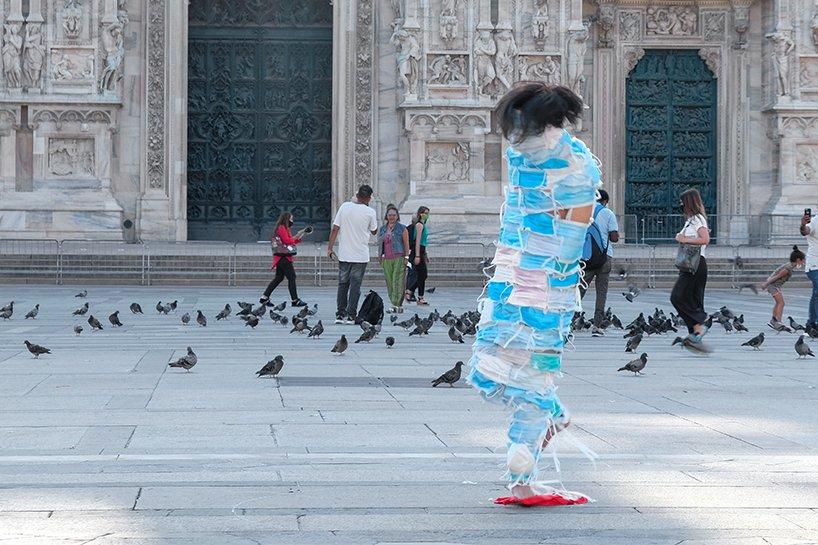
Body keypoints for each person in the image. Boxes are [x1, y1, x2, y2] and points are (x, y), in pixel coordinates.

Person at [468, 83, 599, 504]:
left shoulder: (528, 156)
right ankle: (532, 457)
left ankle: (539, 445)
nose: (516, 133)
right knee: (527, 376)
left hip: (519, 285)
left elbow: (553, 229)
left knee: (520, 372)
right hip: (535, 287)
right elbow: (570, 236)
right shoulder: (571, 162)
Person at [327, 185, 378, 324]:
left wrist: (330, 248)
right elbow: (374, 231)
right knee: (355, 286)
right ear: (368, 198)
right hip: (360, 255)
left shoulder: (344, 207)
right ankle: (351, 315)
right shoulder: (370, 212)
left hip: (344, 254)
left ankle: (340, 314)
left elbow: (335, 229)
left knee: (343, 284)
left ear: (357, 195)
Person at [670, 188, 711, 353]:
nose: (681, 206)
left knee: (677, 297)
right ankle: (694, 334)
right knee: (690, 299)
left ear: (689, 203)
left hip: (695, 265)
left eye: (682, 202)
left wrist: (684, 238)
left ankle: (701, 323)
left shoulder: (698, 220)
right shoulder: (691, 220)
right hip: (689, 265)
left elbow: (705, 239)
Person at [579, 189, 619, 337]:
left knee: (579, 290)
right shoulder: (608, 213)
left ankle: (568, 322)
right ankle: (597, 325)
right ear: (605, 201)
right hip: (604, 258)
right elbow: (614, 237)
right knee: (601, 292)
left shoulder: (583, 212)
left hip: (586, 257)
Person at [260, 212, 309, 307]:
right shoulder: (282, 228)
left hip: (282, 257)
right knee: (292, 277)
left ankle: (264, 297)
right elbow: (287, 241)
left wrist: (301, 234)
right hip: (283, 257)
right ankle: (295, 300)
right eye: (291, 219)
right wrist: (297, 235)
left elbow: (290, 240)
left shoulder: (285, 228)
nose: (292, 221)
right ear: (287, 219)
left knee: (279, 278)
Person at [761, 245, 806, 329]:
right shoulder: (787, 268)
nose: (804, 262)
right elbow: (776, 277)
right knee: (781, 303)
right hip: (773, 285)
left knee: (778, 303)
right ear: (798, 260)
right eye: (803, 260)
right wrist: (766, 284)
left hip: (774, 286)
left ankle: (773, 321)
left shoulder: (790, 266)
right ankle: (778, 322)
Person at [378, 204, 410, 313]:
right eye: (389, 215)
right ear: (386, 216)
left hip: (399, 257)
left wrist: (406, 257)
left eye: (394, 215)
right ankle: (393, 303)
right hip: (387, 259)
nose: (391, 217)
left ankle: (398, 304)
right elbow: (380, 244)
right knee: (390, 281)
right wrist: (380, 257)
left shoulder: (402, 228)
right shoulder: (383, 229)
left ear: (397, 216)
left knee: (398, 280)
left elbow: (406, 244)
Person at [405, 206, 430, 305]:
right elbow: (418, 241)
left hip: (422, 251)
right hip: (418, 251)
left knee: (422, 275)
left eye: (428, 213)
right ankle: (420, 297)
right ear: (420, 214)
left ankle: (410, 292)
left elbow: (424, 242)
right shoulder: (419, 225)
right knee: (423, 274)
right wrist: (418, 256)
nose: (427, 215)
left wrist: (425, 254)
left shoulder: (423, 225)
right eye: (425, 213)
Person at [800, 209, 818, 334]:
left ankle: (810, 324)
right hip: (814, 265)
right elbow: (805, 231)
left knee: (815, 294)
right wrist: (802, 224)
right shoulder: (815, 221)